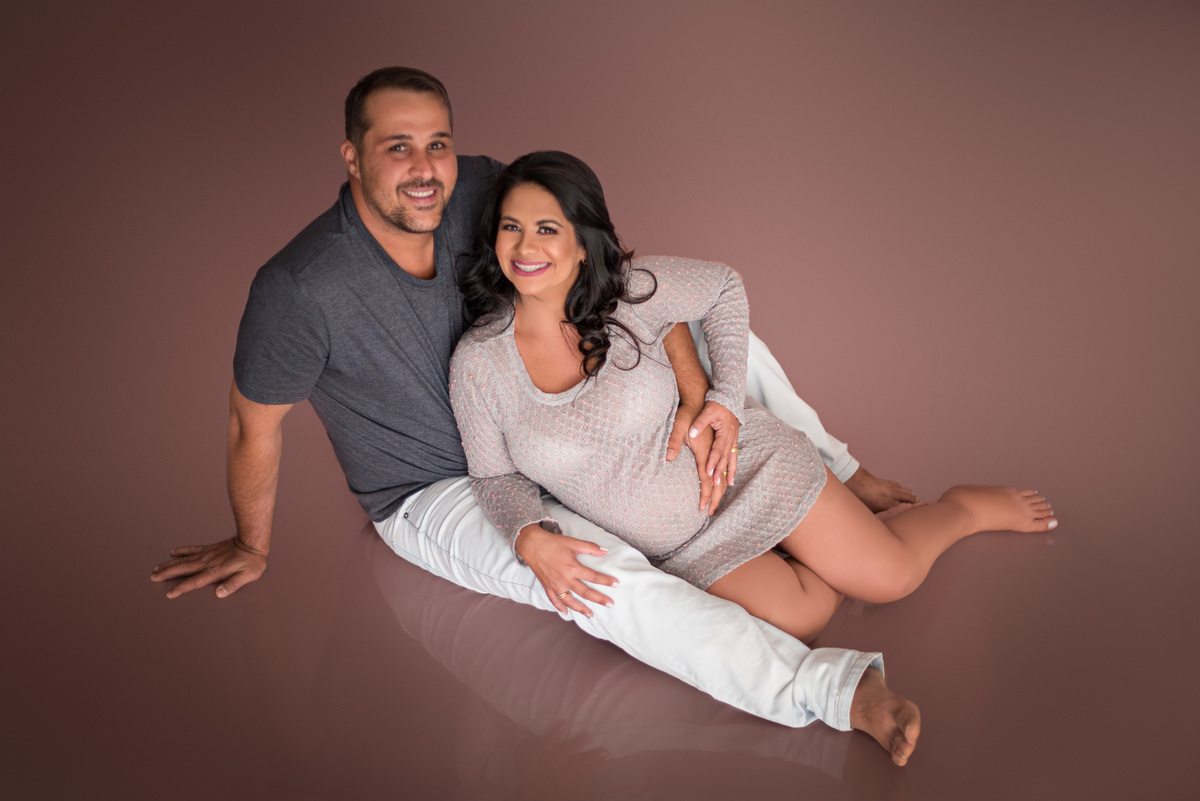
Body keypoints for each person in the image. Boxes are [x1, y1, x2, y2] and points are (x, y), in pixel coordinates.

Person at [150, 66, 922, 764]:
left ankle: (838, 471)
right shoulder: (299, 288)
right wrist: (251, 542)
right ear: (351, 156)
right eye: (396, 147)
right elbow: (252, 424)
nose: (424, 169)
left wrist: (695, 388)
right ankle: (835, 692)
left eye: (438, 143)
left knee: (725, 335)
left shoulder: (480, 189)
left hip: (550, 423)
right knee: (600, 579)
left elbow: (617, 276)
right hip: (440, 485)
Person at [449, 151, 1058, 672]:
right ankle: (833, 537)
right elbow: (494, 477)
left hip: (747, 471)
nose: (525, 247)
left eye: (547, 228)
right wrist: (529, 537)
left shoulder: (627, 292)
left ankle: (960, 509)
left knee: (890, 578)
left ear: (583, 244)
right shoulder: (478, 363)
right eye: (511, 227)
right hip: (684, 545)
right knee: (803, 619)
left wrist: (722, 401)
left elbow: (723, 288)